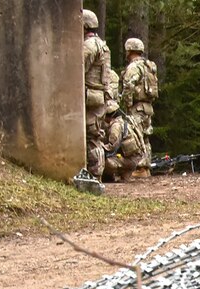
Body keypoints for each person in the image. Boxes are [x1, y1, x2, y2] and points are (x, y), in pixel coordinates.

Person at [121, 38, 159, 177]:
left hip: (137, 107)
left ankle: (140, 167)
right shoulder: (149, 66)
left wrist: (127, 104)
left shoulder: (133, 67)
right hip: (148, 106)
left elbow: (128, 86)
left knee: (136, 136)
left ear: (129, 50)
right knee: (145, 136)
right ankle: (146, 168)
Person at [82, 9, 112, 182]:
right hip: (98, 96)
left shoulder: (89, 46)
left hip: (90, 96)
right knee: (95, 136)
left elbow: (78, 69)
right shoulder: (102, 44)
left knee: (91, 138)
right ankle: (96, 175)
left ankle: (93, 176)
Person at [102, 100, 146, 182]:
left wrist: (99, 146)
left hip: (131, 160)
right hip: (134, 158)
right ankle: (125, 174)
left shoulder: (116, 126)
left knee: (106, 161)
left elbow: (111, 147)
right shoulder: (123, 122)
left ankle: (120, 172)